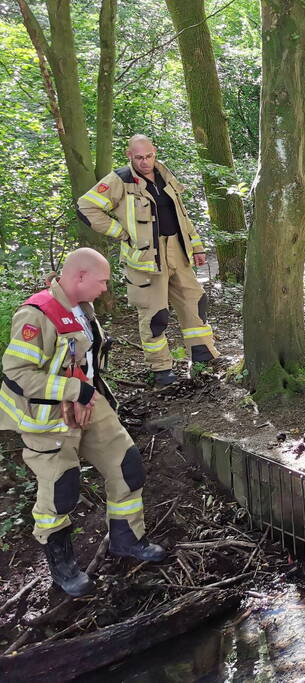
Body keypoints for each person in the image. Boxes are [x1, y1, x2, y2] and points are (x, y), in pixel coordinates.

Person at [0, 249, 167, 596]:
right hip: (45, 420)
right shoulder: (37, 315)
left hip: (89, 404)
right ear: (79, 276)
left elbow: (85, 359)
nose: (106, 288)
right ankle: (63, 568)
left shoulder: (84, 310)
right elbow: (17, 374)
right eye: (102, 281)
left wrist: (86, 394)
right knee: (61, 490)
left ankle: (127, 539)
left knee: (128, 466)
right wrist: (74, 390)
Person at [76, 134, 218, 387]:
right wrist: (119, 232)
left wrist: (196, 246)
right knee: (155, 316)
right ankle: (161, 368)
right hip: (145, 258)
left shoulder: (164, 174)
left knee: (195, 302)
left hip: (178, 248)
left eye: (149, 155)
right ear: (129, 155)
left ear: (155, 152)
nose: (145, 161)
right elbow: (86, 206)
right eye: (139, 157)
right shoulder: (119, 179)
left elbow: (182, 214)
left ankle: (202, 355)